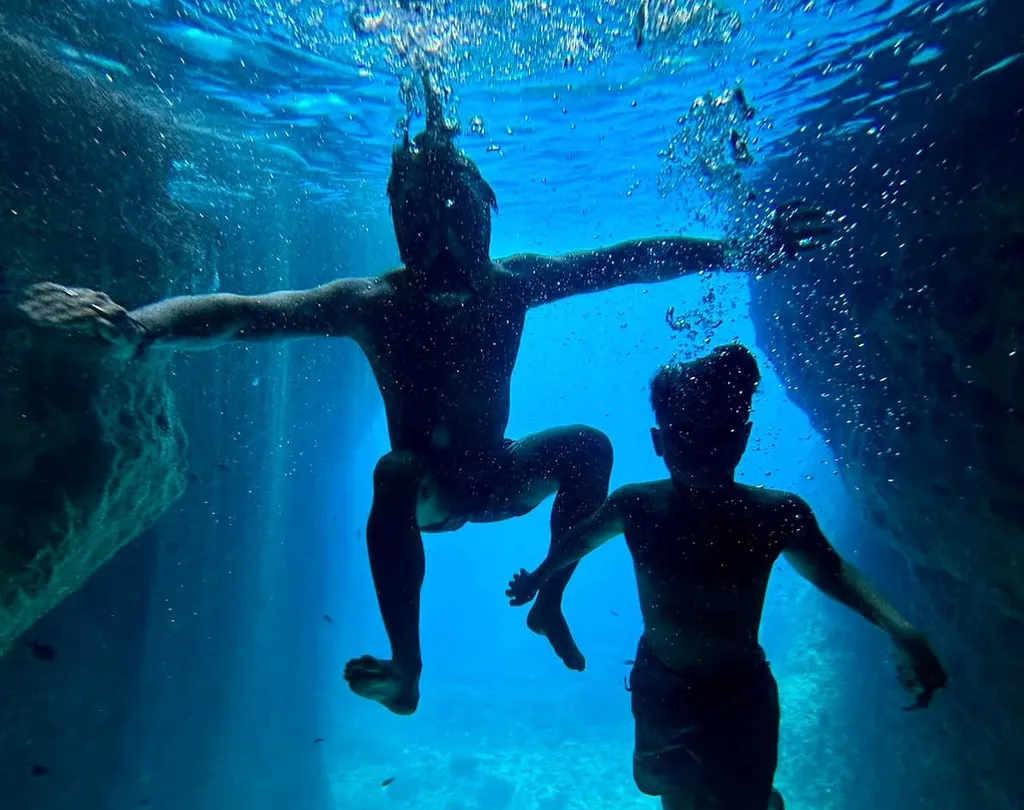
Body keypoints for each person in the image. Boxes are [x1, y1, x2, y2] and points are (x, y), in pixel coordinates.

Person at [18, 74, 829, 718]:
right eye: (422, 226)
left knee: (588, 446)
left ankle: (551, 593)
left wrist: (743, 247)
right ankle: (408, 669)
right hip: (433, 495)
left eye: (460, 226)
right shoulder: (376, 302)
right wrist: (140, 325)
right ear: (400, 230)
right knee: (396, 471)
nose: (443, 251)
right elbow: (244, 316)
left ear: (487, 220)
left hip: (501, 474)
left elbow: (632, 258)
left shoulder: (515, 285)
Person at [505, 343, 946, 810]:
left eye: (716, 436)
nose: (704, 450)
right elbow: (580, 535)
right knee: (673, 800)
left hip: (739, 699)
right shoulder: (638, 505)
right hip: (661, 684)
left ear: (742, 437)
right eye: (688, 438)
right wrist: (544, 579)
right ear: (659, 441)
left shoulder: (775, 515)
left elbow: (833, 571)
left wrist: (904, 631)